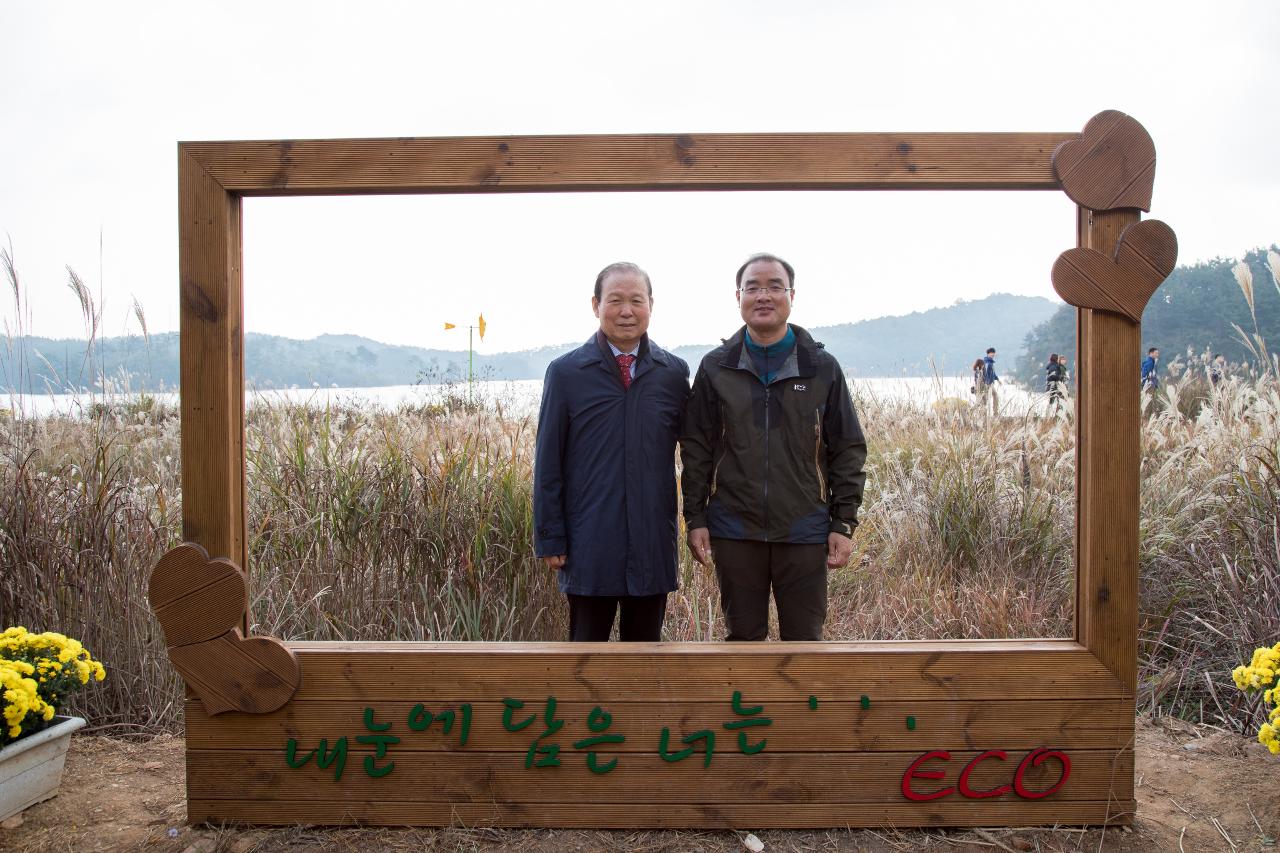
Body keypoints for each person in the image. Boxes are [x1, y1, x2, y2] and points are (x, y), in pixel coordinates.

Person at [680, 253, 867, 641]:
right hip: (734, 529)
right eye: (753, 287)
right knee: (743, 641)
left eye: (774, 287)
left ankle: (801, 705)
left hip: (804, 529)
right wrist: (695, 517)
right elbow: (696, 447)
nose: (763, 295)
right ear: (738, 296)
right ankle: (747, 705)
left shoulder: (821, 367)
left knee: (804, 642)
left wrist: (843, 522)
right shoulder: (717, 367)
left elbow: (848, 448)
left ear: (791, 295)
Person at [533, 261, 691, 641]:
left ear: (651, 305)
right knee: (586, 659)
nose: (626, 310)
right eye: (615, 300)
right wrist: (550, 536)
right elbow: (548, 460)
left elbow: (697, 456)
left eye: (636, 300)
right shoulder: (567, 372)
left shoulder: (672, 373)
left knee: (644, 659)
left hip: (652, 539)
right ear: (595, 305)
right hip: (590, 542)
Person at [982, 347, 1000, 416]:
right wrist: (987, 383)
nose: (993, 355)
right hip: (987, 384)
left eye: (993, 353)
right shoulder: (987, 362)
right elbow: (985, 373)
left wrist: (997, 379)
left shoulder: (991, 362)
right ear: (988, 354)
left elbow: (993, 373)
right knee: (987, 398)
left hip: (991, 383)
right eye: (991, 353)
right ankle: (987, 413)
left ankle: (995, 412)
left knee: (994, 396)